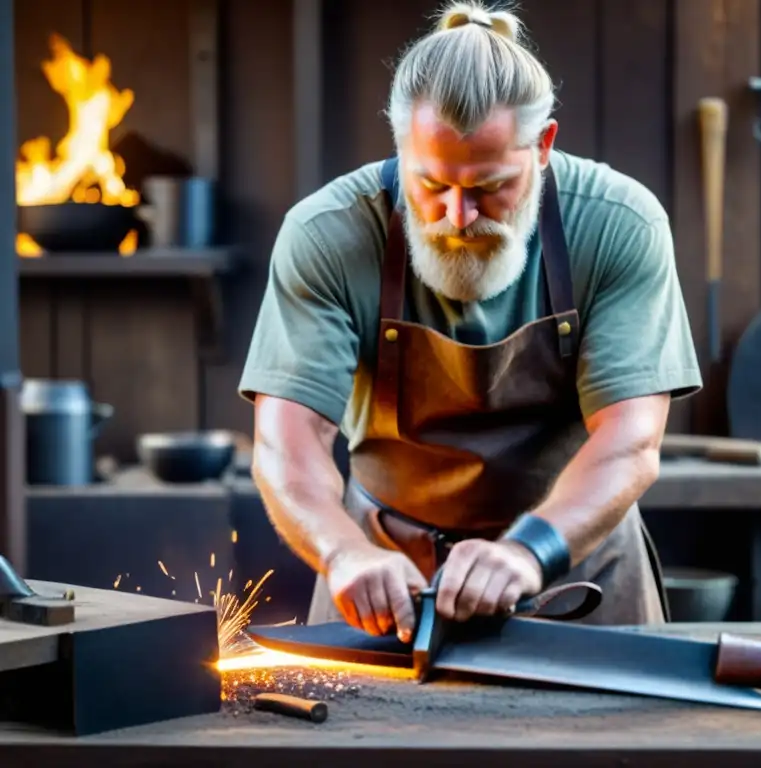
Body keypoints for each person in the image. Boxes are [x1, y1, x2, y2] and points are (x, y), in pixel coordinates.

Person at [238, 0, 702, 643]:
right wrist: (342, 551)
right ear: (402, 146)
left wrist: (526, 552)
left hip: (574, 572)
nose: (457, 216)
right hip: (384, 577)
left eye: (488, 188)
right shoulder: (328, 234)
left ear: (542, 146)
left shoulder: (619, 224)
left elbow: (629, 443)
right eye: (431, 186)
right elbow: (287, 444)